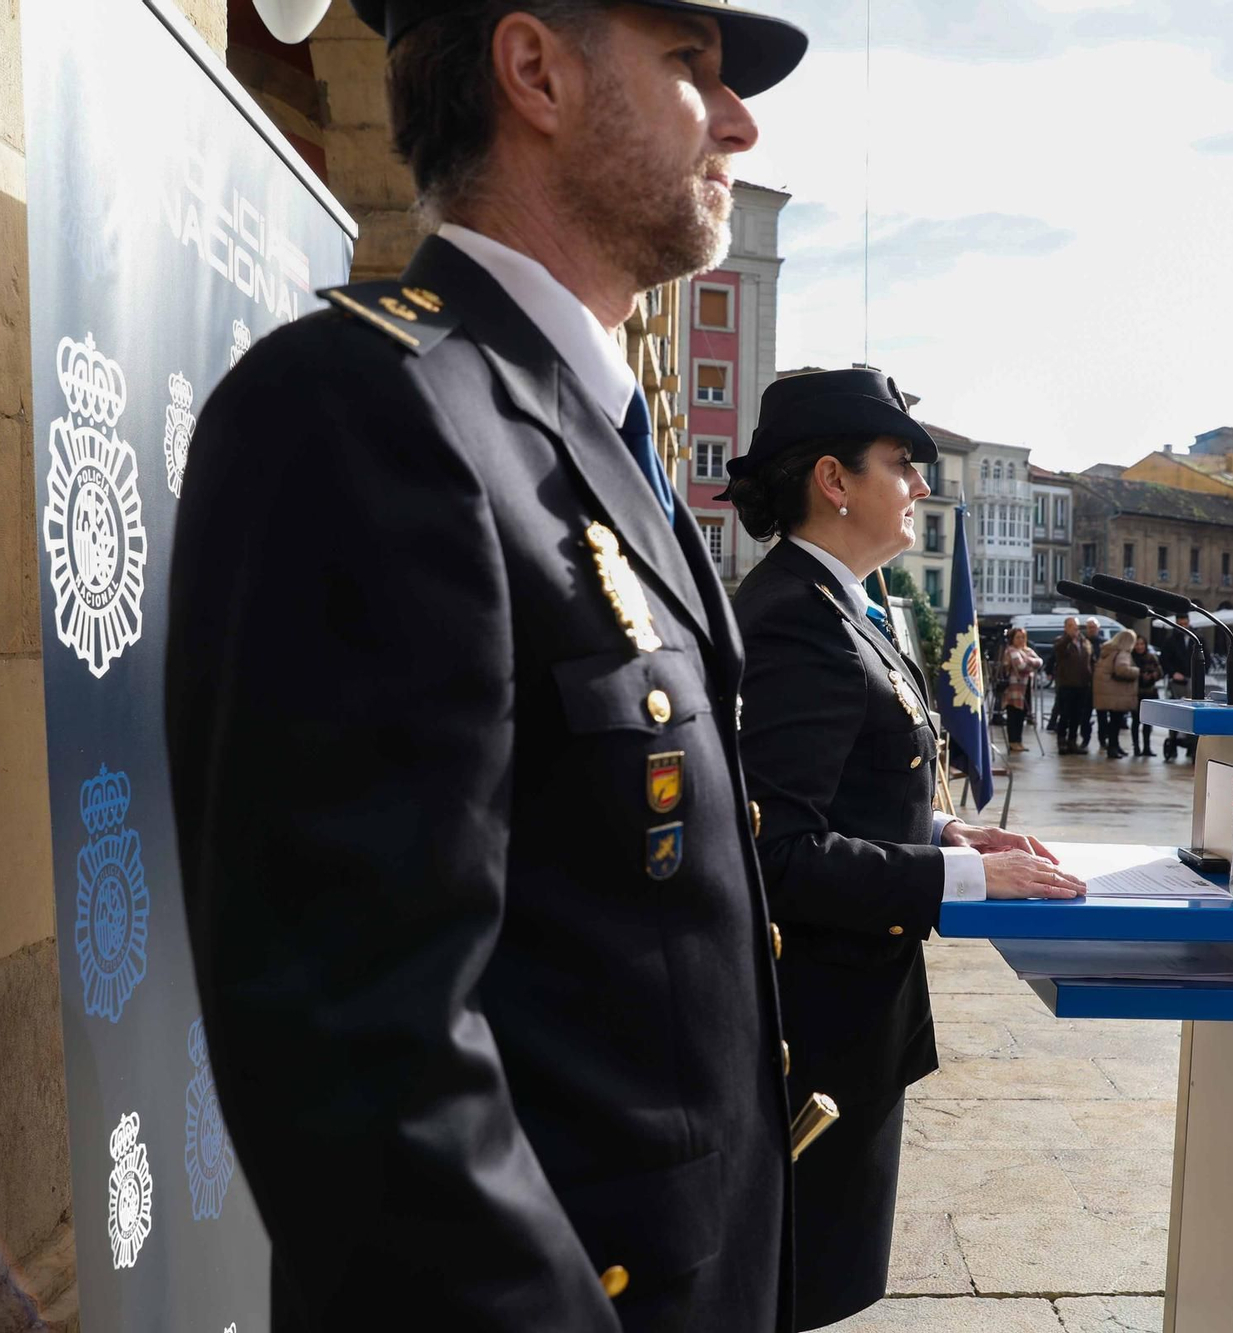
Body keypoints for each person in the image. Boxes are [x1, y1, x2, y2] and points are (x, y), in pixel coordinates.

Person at [162, 2, 811, 1328]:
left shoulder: (594, 433)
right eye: (691, 67)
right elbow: (365, 1074)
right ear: (535, 72)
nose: (738, 121)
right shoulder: (363, 411)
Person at [722, 369, 1085, 1328]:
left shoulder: (843, 602)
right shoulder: (799, 618)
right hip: (813, 1026)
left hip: (851, 1014)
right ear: (835, 480)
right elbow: (778, 850)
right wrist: (966, 874)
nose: (921, 483)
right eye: (902, 464)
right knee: (791, 1287)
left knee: (817, 1279)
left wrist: (948, 828)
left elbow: (850, 786)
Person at [1159, 614, 1202, 762]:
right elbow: (1164, 659)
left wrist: (1200, 673)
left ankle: (1193, 746)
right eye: (1180, 624)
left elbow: (1206, 658)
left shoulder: (1197, 639)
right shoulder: (1171, 641)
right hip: (1177, 682)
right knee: (1177, 712)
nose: (1183, 626)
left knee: (1194, 712)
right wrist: (1172, 672)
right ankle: (1174, 743)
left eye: (1185, 623)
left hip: (1194, 681)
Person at [1050, 617, 1095, 756]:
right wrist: (1068, 638)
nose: (1074, 628)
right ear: (1065, 628)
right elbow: (1058, 650)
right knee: (1065, 714)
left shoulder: (1085, 642)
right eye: (1070, 626)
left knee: (1077, 716)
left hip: (1082, 685)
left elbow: (1091, 660)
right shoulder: (1061, 641)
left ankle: (1072, 741)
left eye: (1075, 625)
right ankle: (1062, 741)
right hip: (1066, 684)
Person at [1094, 628, 1142, 757]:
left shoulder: (1108, 651)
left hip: (1107, 692)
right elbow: (1122, 669)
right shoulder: (1122, 653)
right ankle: (1113, 747)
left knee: (1113, 721)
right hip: (1117, 693)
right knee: (1116, 721)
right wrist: (1137, 671)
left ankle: (1114, 745)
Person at [998, 627, 1042, 754]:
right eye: (1018, 637)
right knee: (1013, 716)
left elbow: (1040, 661)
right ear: (1012, 639)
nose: (1021, 640)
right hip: (1014, 688)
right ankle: (1013, 742)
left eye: (1023, 637)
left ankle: (1019, 741)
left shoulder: (1027, 650)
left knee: (1022, 715)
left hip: (1026, 687)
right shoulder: (1011, 650)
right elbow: (1020, 665)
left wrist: (1028, 660)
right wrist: (1030, 662)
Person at [1076, 618, 1105, 750]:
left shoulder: (1104, 644)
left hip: (1100, 685)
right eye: (1089, 627)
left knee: (1102, 715)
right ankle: (1085, 739)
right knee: (1084, 715)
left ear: (1098, 628)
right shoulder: (1082, 643)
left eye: (1093, 627)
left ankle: (1103, 740)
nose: (1091, 629)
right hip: (1086, 684)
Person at [1131, 636, 1162, 757]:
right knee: (1135, 721)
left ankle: (1147, 747)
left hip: (1149, 694)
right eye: (1137, 644)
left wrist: (1153, 676)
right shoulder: (1131, 658)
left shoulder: (1151, 657)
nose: (1139, 647)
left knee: (1147, 722)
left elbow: (1160, 671)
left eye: (1141, 644)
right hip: (1135, 693)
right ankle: (1136, 747)